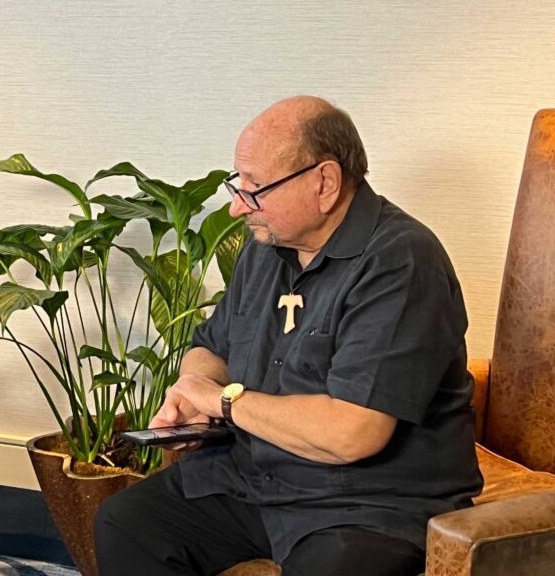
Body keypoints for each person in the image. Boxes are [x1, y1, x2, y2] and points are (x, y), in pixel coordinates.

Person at [94, 96, 482, 576]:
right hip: (256, 478)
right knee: (127, 523)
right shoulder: (266, 247)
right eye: (238, 184)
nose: (237, 207)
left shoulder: (401, 260)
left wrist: (224, 401)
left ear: (325, 182)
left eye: (255, 189)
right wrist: (191, 393)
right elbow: (211, 347)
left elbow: (353, 433)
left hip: (368, 502)